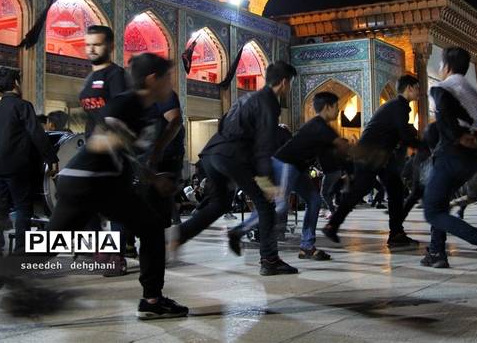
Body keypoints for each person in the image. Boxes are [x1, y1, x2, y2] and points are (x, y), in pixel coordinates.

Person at [0, 53, 189, 332]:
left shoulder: (141, 108)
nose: (171, 83)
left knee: (45, 248)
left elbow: (122, 148)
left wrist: (151, 176)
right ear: (153, 79)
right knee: (152, 227)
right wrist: (135, 160)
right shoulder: (128, 102)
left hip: (88, 181)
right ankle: (152, 301)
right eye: (168, 77)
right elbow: (105, 141)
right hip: (93, 182)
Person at [170, 61, 299, 276]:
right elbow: (263, 146)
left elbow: (223, 124)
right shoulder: (269, 102)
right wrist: (267, 181)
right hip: (233, 157)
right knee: (266, 206)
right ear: (285, 82)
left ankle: (179, 236)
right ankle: (270, 260)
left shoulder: (247, 98)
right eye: (291, 84)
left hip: (212, 154)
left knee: (220, 204)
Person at [419, 47, 477, 273]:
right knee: (440, 205)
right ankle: (436, 253)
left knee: (432, 212)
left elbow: (445, 112)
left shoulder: (442, 88)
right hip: (468, 159)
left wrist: (455, 136)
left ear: (447, 66)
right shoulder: (471, 90)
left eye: (441, 64)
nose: (440, 68)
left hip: (450, 155)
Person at [229, 92, 349, 261]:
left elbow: (327, 157)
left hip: (298, 168)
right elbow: (341, 147)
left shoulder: (322, 128)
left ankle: (307, 246)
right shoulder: (320, 126)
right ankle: (238, 231)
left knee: (314, 200)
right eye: (336, 107)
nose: (338, 110)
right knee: (279, 206)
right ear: (327, 107)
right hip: (286, 164)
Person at [323, 75, 423, 249]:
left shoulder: (396, 106)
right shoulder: (399, 107)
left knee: (394, 189)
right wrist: (425, 145)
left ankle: (396, 234)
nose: (419, 92)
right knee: (363, 189)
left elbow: (399, 134)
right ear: (409, 88)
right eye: (417, 88)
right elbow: (404, 135)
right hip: (370, 153)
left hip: (378, 155)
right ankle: (333, 225)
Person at [0, 67, 59, 256]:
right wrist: (51, 158)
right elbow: (37, 134)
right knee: (23, 208)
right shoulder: (23, 106)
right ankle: (21, 252)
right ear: (16, 83)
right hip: (18, 166)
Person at [78, 25, 129, 275]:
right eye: (87, 44)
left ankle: (116, 256)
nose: (91, 49)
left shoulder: (116, 75)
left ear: (109, 46)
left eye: (96, 44)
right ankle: (100, 249)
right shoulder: (89, 78)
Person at [145, 90, 185, 226]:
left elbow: (175, 120)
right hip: (152, 159)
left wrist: (158, 149)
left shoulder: (162, 94)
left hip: (163, 159)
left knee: (159, 209)